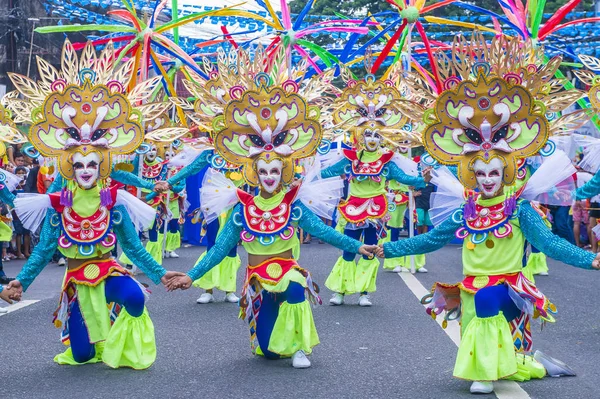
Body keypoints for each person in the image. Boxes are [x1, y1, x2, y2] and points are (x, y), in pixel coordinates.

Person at [379, 33, 598, 395]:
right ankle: (507, 362)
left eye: (494, 173)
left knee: (484, 302)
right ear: (471, 175)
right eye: (480, 174)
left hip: (509, 289)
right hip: (471, 286)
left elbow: (550, 243)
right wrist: (385, 250)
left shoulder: (519, 209)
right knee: (478, 304)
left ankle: (485, 373)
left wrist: (588, 260)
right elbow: (431, 240)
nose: (487, 180)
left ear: (505, 173)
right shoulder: (467, 210)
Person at [166, 57, 379, 369]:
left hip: (286, 272)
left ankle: (299, 347)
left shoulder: (292, 205)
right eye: (263, 170)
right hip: (257, 280)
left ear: (283, 171)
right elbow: (220, 248)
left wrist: (356, 245)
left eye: (274, 170)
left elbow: (324, 231)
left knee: (296, 287)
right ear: (255, 172)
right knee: (266, 352)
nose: (269, 176)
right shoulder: (242, 209)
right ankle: (276, 340)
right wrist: (191, 275)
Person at [3, 39, 183, 368]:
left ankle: (121, 342)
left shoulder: (112, 201)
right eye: (79, 164)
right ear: (70, 164)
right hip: (76, 282)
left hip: (107, 271)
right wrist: (21, 282)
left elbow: (132, 245)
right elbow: (43, 249)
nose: (86, 170)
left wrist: (160, 273)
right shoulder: (60, 203)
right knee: (83, 355)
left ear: (102, 165)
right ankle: (91, 332)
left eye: (93, 164)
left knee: (133, 296)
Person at [320, 70, 428, 307]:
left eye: (377, 134)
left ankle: (363, 292)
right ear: (360, 135)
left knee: (370, 250)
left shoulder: (387, 160)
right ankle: (340, 290)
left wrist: (423, 179)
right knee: (349, 248)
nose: (372, 138)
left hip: (377, 209)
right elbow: (327, 172)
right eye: (367, 133)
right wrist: (303, 173)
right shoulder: (350, 158)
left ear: (383, 138)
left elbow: (404, 178)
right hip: (353, 209)